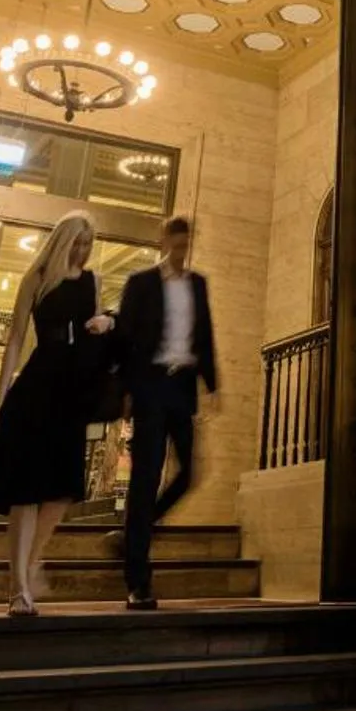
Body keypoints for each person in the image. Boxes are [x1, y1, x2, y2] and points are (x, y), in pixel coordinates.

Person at [0, 210, 114, 617]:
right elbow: (14, 338)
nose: (83, 251)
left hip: (73, 386)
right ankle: (18, 586)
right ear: (63, 241)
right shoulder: (38, 277)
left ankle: (31, 562)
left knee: (62, 490)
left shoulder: (92, 280)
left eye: (89, 244)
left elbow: (93, 330)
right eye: (78, 243)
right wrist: (2, 392)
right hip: (39, 381)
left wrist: (104, 321)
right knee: (27, 491)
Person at [116, 214, 216, 608]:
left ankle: (135, 531)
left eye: (185, 244)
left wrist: (213, 386)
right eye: (175, 244)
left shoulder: (198, 284)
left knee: (189, 472)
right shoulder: (141, 284)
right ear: (164, 242)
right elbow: (124, 338)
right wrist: (125, 392)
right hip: (150, 386)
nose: (180, 251)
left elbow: (205, 335)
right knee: (145, 476)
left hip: (182, 387)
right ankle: (138, 580)